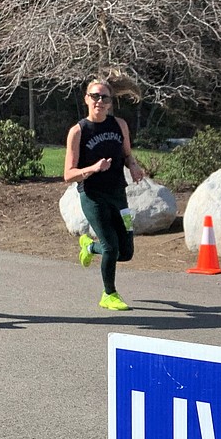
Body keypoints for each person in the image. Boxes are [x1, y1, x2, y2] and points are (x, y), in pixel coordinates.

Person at [63, 76, 146, 311]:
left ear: (110, 102)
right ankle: (109, 294)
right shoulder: (78, 131)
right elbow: (68, 174)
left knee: (126, 252)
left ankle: (89, 247)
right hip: (93, 196)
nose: (99, 101)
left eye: (104, 97)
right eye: (94, 96)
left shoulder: (119, 125)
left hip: (119, 194)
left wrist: (133, 165)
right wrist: (92, 169)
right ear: (86, 99)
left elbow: (127, 154)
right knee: (111, 246)